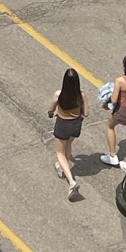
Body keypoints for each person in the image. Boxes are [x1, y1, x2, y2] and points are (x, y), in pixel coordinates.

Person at [49, 67, 85, 201]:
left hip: (63, 125)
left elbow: (51, 109)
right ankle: (62, 168)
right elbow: (86, 113)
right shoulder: (81, 96)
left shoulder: (59, 94)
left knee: (59, 152)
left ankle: (71, 182)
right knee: (68, 146)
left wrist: (50, 113)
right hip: (76, 125)